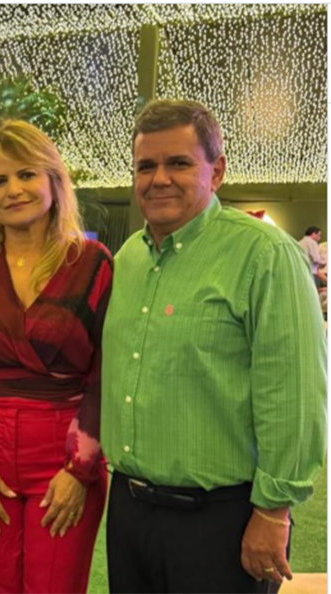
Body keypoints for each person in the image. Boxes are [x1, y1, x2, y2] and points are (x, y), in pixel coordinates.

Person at [102, 99, 326, 594]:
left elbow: (295, 394)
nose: (159, 179)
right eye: (146, 166)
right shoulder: (128, 260)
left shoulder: (265, 255)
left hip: (221, 520)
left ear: (217, 171)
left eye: (178, 163)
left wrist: (273, 511)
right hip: (130, 512)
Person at [0, 120, 112, 594]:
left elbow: (105, 377)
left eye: (26, 174)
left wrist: (79, 471)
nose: (13, 190)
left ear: (54, 179)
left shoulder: (93, 263)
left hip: (67, 455)